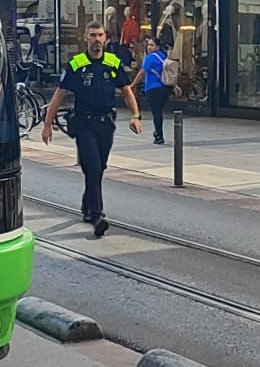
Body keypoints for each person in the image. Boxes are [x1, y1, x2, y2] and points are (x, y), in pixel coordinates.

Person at [40, 23, 141, 237]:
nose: (97, 39)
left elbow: (126, 91)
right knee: (93, 167)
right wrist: (47, 125)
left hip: (107, 123)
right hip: (85, 124)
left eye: (100, 35)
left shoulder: (113, 62)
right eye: (93, 35)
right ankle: (97, 216)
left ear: (105, 38)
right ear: (86, 37)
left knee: (99, 168)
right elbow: (59, 95)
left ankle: (87, 205)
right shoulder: (77, 64)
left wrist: (135, 116)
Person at [134, 34, 173, 145]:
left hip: (153, 88)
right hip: (165, 88)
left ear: (157, 47)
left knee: (156, 113)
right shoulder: (163, 56)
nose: (149, 47)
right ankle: (158, 132)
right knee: (159, 111)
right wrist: (175, 86)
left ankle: (159, 135)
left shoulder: (150, 58)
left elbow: (142, 72)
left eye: (152, 45)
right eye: (148, 45)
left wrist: (132, 84)